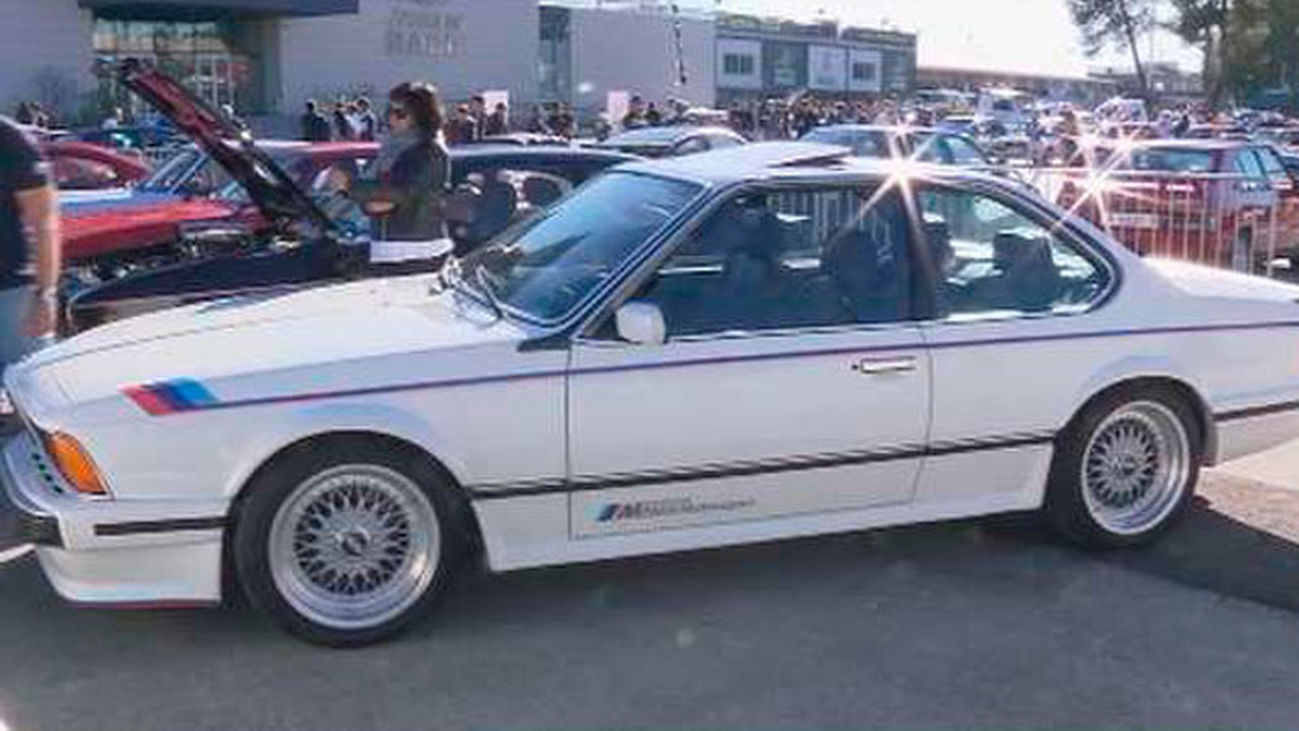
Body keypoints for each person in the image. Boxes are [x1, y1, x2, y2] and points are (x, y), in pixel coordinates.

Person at [332, 82, 452, 243]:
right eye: (389, 111)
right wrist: (361, 194)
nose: (391, 118)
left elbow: (399, 193)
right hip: (387, 241)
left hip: (418, 246)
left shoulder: (428, 151)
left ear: (421, 116)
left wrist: (349, 187)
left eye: (400, 113)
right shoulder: (391, 147)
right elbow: (373, 202)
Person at [0, 116, 60, 369]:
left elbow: (44, 224)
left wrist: (45, 294)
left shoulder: (9, 140)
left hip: (10, 295)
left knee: (32, 390)